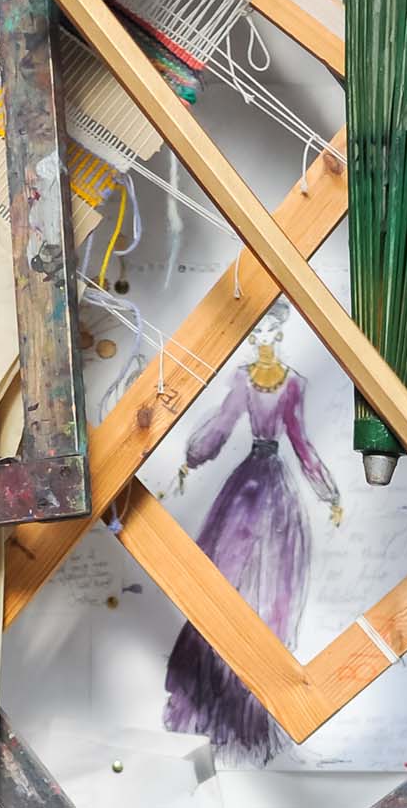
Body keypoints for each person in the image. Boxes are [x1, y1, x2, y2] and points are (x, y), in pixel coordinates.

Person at [163, 301, 341, 765]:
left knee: (269, 595)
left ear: (279, 334)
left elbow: (300, 442)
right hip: (243, 493)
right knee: (225, 582)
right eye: (255, 331)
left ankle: (250, 711)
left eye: (267, 330)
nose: (260, 338)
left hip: (275, 497)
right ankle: (209, 699)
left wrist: (329, 492)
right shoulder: (242, 380)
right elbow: (221, 426)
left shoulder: (293, 384)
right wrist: (191, 458)